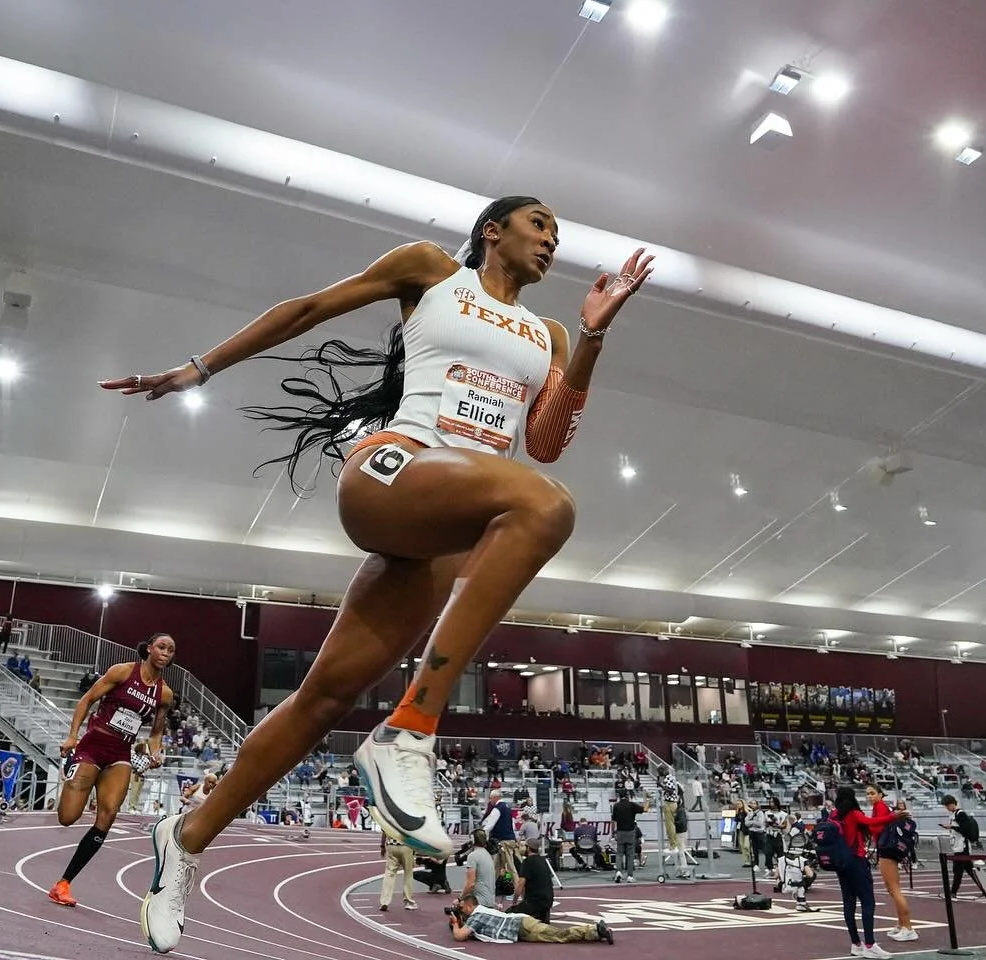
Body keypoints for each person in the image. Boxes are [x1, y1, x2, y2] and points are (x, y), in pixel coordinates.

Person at [104, 197, 655, 952]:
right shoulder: (429, 272)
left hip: (448, 522)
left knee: (322, 700)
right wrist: (199, 368)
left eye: (558, 234)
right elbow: (306, 310)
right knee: (548, 506)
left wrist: (591, 334)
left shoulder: (548, 333)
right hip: (392, 469)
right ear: (493, 231)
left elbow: (548, 439)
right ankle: (410, 729)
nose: (552, 240)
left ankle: (186, 837)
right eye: (540, 224)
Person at [49, 634, 175, 908]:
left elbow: (156, 732)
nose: (166, 653)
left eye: (171, 650)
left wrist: (155, 752)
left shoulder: (164, 694)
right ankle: (73, 769)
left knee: (108, 815)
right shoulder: (122, 672)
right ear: (149, 649)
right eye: (161, 647)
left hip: (120, 754)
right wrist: (72, 736)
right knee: (67, 818)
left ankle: (63, 884)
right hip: (92, 746)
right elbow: (87, 700)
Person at [830, 785, 906, 959]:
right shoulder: (854, 814)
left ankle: (856, 943)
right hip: (856, 860)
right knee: (867, 901)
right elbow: (871, 823)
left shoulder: (833, 815)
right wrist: (893, 816)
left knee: (848, 902)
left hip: (840, 862)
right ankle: (870, 944)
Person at [450, 893, 612, 945]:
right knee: (557, 934)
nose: (462, 911)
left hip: (521, 927)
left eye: (462, 908)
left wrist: (456, 923)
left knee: (558, 935)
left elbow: (460, 936)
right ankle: (595, 932)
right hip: (521, 924)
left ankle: (595, 930)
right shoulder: (484, 909)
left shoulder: (476, 916)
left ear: (470, 906)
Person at [863, 784, 915, 943]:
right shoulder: (880, 807)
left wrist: (867, 826)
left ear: (880, 794)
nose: (869, 796)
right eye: (867, 794)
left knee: (894, 888)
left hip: (886, 849)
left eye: (872, 793)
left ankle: (908, 927)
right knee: (892, 889)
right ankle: (901, 924)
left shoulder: (880, 806)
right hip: (885, 848)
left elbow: (878, 828)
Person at [941, 795, 981, 898]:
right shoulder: (954, 815)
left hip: (962, 846)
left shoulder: (960, 814)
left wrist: (952, 827)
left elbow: (965, 829)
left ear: (952, 803)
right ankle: (985, 888)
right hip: (958, 846)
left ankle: (953, 892)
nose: (947, 808)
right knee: (970, 870)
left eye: (948, 805)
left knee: (958, 870)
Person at [507, 836, 554, 922]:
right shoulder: (543, 860)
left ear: (528, 848)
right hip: (548, 901)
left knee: (508, 914)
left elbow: (520, 885)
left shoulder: (527, 862)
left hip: (534, 902)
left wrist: (514, 902)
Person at [610, 789, 648, 883]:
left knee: (619, 854)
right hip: (630, 832)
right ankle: (630, 876)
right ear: (628, 796)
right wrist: (647, 799)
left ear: (619, 796)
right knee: (630, 855)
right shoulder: (631, 805)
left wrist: (613, 833)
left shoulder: (616, 806)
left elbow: (613, 820)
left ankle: (618, 872)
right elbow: (645, 809)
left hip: (620, 832)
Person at [379, 833, 418, 912]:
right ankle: (408, 902)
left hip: (391, 845)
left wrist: (382, 846)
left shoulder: (390, 822)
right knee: (408, 874)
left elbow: (384, 830)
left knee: (389, 874)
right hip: (406, 845)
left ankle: (384, 901)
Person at [464, 829, 497, 910]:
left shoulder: (473, 856)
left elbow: (470, 884)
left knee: (457, 910)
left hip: (479, 901)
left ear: (473, 840)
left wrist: (460, 899)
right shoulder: (488, 855)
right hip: (490, 900)